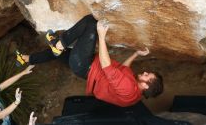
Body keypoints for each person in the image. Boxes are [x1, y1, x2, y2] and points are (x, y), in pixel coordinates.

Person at [17, 14, 163, 107]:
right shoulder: (134, 93)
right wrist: (136, 54)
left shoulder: (128, 88)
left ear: (146, 86)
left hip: (85, 65)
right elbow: (122, 70)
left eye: (147, 76)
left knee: (91, 22)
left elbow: (106, 65)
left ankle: (59, 43)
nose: (145, 72)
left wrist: (101, 35)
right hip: (85, 69)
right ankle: (27, 59)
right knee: (59, 54)